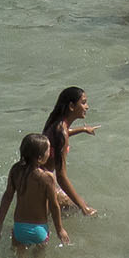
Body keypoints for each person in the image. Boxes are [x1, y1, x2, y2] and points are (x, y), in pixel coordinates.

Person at [0, 134, 69, 258]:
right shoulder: (47, 177)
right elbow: (54, 206)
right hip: (40, 230)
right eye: (48, 150)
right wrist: (60, 229)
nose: (50, 153)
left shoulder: (15, 170)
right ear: (40, 157)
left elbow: (7, 198)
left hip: (19, 229)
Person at [42, 87, 99, 215]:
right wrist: (83, 207)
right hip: (42, 183)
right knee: (78, 209)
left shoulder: (56, 123)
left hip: (35, 176)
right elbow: (61, 177)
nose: (87, 106)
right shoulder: (61, 133)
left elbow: (63, 133)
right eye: (83, 102)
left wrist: (83, 129)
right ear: (72, 106)